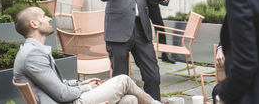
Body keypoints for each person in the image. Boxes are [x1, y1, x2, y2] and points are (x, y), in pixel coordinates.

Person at [13, 6, 162, 104]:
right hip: (68, 102)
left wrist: (79, 83)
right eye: (44, 16)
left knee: (130, 100)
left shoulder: (32, 50)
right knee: (123, 80)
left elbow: (56, 84)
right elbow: (63, 94)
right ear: (34, 24)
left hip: (65, 99)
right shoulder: (33, 55)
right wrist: (88, 88)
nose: (49, 18)